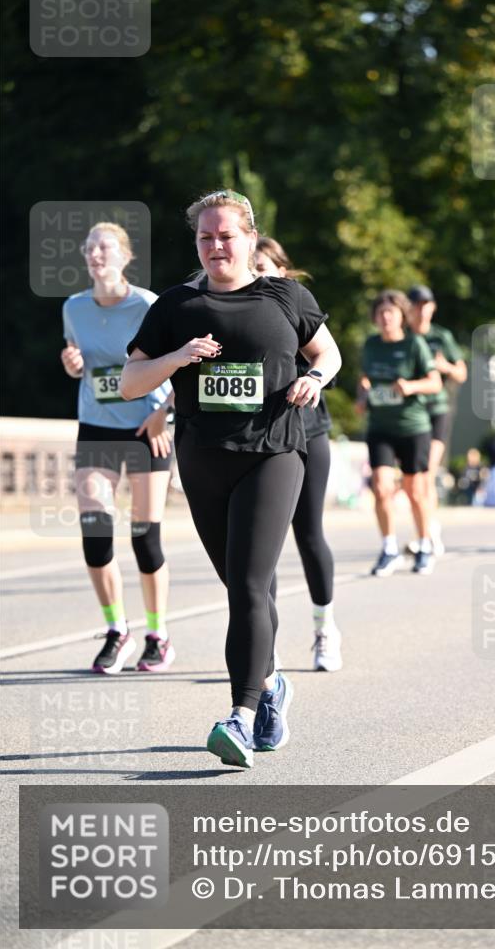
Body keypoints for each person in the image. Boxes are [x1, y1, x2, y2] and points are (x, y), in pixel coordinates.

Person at [121, 190, 341, 768]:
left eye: (226, 235)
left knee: (246, 585)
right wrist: (177, 357)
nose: (215, 245)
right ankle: (270, 687)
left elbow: (329, 353)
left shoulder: (286, 296)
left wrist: (315, 378)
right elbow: (130, 382)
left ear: (249, 238)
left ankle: (239, 717)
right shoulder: (177, 305)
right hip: (203, 460)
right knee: (245, 589)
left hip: (273, 453)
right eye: (205, 237)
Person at [61, 222, 175, 675]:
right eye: (89, 248)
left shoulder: (148, 305)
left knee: (144, 537)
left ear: (125, 256)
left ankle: (158, 635)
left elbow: (181, 364)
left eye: (104, 247)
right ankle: (116, 629)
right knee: (94, 530)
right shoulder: (73, 307)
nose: (94, 254)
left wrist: (163, 412)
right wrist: (72, 365)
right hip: (97, 427)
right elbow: (80, 364)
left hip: (146, 428)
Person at [254, 236, 341, 673]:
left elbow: (328, 360)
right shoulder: (232, 308)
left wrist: (312, 377)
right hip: (263, 440)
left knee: (308, 534)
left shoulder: (295, 305)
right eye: (251, 268)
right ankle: (264, 645)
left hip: (308, 435)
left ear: (282, 272)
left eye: (263, 268)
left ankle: (325, 629)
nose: (256, 275)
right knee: (260, 546)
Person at [357, 290, 442, 576]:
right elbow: (364, 377)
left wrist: (411, 387)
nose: (385, 318)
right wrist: (362, 395)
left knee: (415, 491)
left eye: (390, 312)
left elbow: (435, 383)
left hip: (412, 427)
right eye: (380, 313)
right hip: (380, 427)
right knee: (381, 487)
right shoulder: (371, 345)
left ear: (402, 316)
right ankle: (389, 548)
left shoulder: (414, 344)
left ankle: (424, 545)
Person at [407, 285, 467, 555]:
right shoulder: (402, 337)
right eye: (417, 305)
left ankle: (428, 533)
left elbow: (461, 373)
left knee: (427, 472)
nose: (421, 310)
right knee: (414, 479)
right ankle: (427, 530)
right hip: (409, 413)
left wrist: (445, 367)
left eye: (426, 304)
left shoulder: (442, 337)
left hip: (437, 410)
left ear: (433, 308)